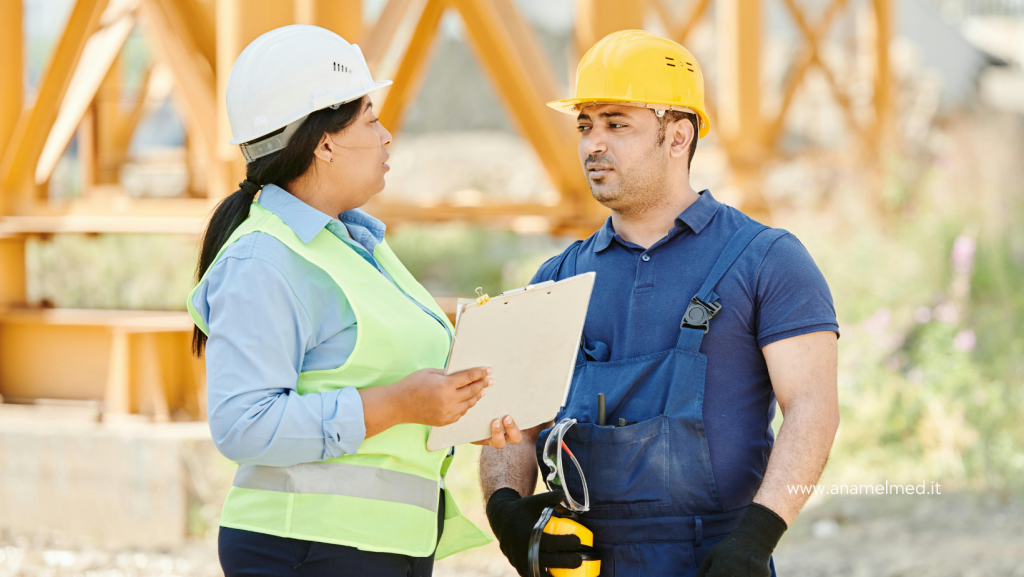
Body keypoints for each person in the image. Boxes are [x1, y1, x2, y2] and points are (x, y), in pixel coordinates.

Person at [480, 30, 840, 577]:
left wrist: (757, 537)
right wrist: (506, 511)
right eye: (585, 125)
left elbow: (813, 408)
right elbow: (510, 425)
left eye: (616, 124)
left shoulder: (767, 260)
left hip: (718, 556)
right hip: (586, 560)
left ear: (677, 136)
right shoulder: (556, 278)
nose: (592, 144)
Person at [186, 25, 522, 577]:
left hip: (383, 547)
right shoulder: (264, 260)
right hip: (306, 548)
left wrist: (461, 408)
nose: (388, 137)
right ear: (324, 141)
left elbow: (386, 383)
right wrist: (401, 404)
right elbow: (242, 424)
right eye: (371, 119)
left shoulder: (357, 246)